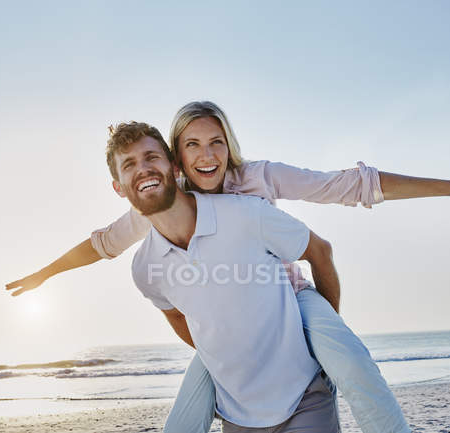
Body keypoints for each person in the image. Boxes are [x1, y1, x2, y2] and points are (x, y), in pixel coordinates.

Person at [6, 101, 450, 433]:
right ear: (178, 160)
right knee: (186, 414)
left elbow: (347, 186)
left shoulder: (255, 181)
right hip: (232, 332)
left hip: (292, 300)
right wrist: (44, 275)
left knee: (353, 366)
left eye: (217, 142)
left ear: (229, 146)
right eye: (193, 146)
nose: (207, 157)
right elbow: (99, 246)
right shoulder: (153, 209)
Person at [117, 121, 339, 431]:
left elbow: (319, 251)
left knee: (361, 372)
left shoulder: (245, 213)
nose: (143, 169)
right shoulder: (144, 269)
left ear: (174, 166)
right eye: (129, 164)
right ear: (118, 186)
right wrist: (234, 360)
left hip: (306, 397)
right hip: (237, 416)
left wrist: (323, 339)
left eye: (152, 157)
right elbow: (180, 320)